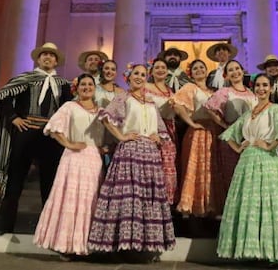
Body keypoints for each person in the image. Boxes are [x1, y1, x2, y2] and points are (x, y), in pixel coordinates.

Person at [0, 42, 73, 235]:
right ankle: (4, 225)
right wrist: (13, 117)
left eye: (51, 55)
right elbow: (3, 97)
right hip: (26, 133)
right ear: (38, 59)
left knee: (50, 183)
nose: (47, 57)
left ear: (56, 61)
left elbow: (69, 108)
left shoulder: (64, 85)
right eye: (44, 54)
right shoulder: (25, 79)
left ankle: (50, 229)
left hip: (50, 136)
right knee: (15, 179)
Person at [87, 63, 176, 259]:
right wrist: (121, 136)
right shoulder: (123, 97)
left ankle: (145, 243)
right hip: (130, 151)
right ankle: (125, 243)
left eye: (143, 74)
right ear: (128, 77)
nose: (139, 77)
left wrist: (157, 136)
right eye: (136, 73)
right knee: (129, 196)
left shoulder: (150, 102)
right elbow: (105, 117)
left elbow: (161, 129)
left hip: (150, 154)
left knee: (147, 197)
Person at [216, 74, 278, 264]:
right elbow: (229, 134)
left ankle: (272, 251)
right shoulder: (249, 113)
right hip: (247, 161)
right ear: (253, 88)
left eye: (265, 85)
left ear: (271, 88)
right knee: (250, 203)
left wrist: (270, 145)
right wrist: (239, 147)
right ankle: (251, 251)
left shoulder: (275, 109)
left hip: (267, 161)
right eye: (258, 85)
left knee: (267, 203)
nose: (261, 89)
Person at [33, 74, 109, 259]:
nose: (87, 87)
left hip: (94, 159)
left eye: (90, 84)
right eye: (83, 84)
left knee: (90, 201)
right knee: (71, 199)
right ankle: (65, 245)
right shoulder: (70, 106)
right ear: (77, 87)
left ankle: (85, 245)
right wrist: (69, 144)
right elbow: (53, 127)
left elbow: (109, 132)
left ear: (95, 88)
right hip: (74, 158)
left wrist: (102, 147)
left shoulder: (101, 111)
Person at [171, 59, 222, 220]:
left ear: (207, 71)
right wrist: (191, 123)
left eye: (202, 67)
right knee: (195, 167)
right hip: (197, 131)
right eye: (195, 68)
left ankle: (211, 206)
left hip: (213, 132)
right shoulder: (190, 87)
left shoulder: (213, 92)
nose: (199, 70)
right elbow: (176, 105)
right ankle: (191, 207)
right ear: (191, 73)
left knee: (211, 167)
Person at [204, 59, 257, 209]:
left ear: (242, 71)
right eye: (231, 70)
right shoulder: (225, 92)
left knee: (248, 177)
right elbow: (209, 108)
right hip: (232, 140)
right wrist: (224, 125)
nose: (235, 72)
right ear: (226, 75)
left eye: (237, 68)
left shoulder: (252, 93)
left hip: (250, 141)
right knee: (232, 176)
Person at [145, 57, 178, 206]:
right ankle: (150, 203)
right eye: (157, 67)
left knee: (168, 167)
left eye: (163, 67)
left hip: (168, 132)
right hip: (150, 131)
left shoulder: (170, 91)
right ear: (151, 71)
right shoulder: (145, 87)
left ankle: (166, 204)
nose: (160, 70)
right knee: (152, 167)